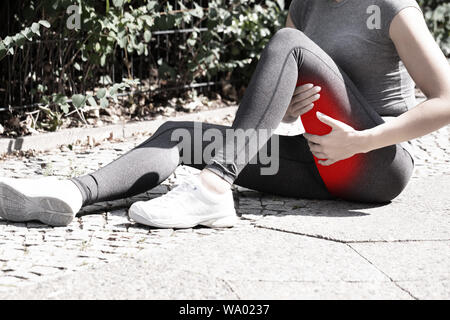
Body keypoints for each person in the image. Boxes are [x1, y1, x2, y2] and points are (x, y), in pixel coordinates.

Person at [1, 0, 449, 229]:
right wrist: (292, 107)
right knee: (180, 134)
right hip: (317, 165)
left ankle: (214, 188)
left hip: (376, 165)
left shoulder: (390, 5)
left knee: (286, 42)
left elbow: (445, 99)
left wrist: (361, 142)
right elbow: (287, 81)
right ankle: (72, 193)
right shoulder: (305, 4)